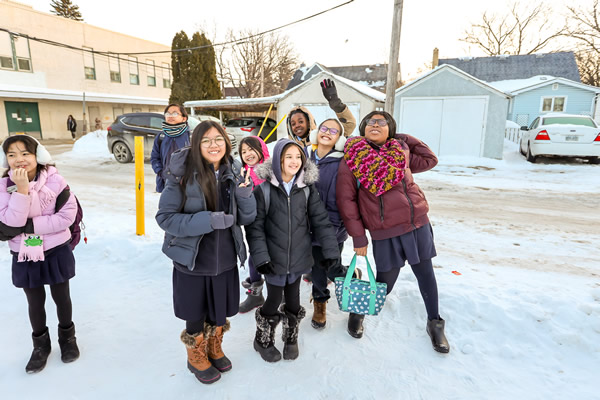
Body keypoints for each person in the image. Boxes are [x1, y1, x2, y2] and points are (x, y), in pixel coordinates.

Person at [336, 111, 450, 353]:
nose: (375, 125)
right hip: (384, 230)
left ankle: (435, 322)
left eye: (381, 122)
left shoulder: (401, 152)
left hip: (416, 223)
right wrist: (358, 236)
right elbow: (347, 201)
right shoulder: (352, 159)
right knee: (385, 281)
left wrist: (403, 138)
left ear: (391, 129)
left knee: (426, 274)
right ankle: (359, 312)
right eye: (370, 122)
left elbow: (430, 159)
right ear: (363, 128)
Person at [155, 121, 256, 385]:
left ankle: (214, 346)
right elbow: (165, 218)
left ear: (227, 143)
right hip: (192, 259)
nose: (214, 145)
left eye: (219, 139)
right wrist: (207, 220)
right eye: (206, 140)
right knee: (195, 312)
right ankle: (195, 355)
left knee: (219, 309)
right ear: (196, 144)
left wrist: (245, 197)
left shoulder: (233, 171)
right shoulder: (181, 174)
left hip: (224, 257)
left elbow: (245, 219)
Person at [245, 139, 339, 363]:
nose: (294, 161)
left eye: (298, 157)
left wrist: (331, 253)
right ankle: (263, 339)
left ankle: (291, 337)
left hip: (299, 256)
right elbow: (255, 228)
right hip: (273, 258)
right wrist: (261, 258)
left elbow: (321, 222)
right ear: (278, 160)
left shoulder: (306, 189)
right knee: (274, 297)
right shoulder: (264, 190)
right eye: (289, 157)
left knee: (294, 299)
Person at [0, 135, 80, 374]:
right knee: (34, 301)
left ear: (38, 156)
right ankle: (40, 346)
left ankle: (68, 339)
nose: (19, 160)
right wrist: (22, 191)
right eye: (12, 155)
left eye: (25, 153)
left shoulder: (56, 181)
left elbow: (67, 216)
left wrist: (31, 227)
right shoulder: (4, 186)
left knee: (61, 296)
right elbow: (9, 223)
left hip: (56, 249)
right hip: (24, 252)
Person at [287, 78, 356, 283]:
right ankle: (318, 279)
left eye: (301, 121)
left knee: (329, 263)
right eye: (293, 123)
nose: (297, 125)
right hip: (308, 220)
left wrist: (336, 104)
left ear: (310, 121)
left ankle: (335, 278)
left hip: (332, 220)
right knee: (316, 263)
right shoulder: (293, 147)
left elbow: (348, 125)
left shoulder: (326, 136)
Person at [305, 118, 362, 330]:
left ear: (339, 138)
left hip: (332, 227)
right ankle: (320, 304)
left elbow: (346, 196)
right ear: (316, 132)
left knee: (330, 268)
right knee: (316, 269)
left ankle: (350, 274)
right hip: (306, 227)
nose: (327, 132)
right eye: (324, 128)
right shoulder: (304, 156)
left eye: (333, 131)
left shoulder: (342, 162)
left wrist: (338, 225)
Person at [237, 136, 270, 313]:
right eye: (244, 151)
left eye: (251, 149)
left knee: (275, 258)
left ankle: (277, 295)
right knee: (255, 257)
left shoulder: (273, 170)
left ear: (261, 149)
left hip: (274, 222)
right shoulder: (242, 173)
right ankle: (255, 294)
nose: (248, 154)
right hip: (254, 223)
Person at [150, 103, 191, 193]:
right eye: (168, 114)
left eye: (175, 113)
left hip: (187, 183)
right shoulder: (161, 136)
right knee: (167, 206)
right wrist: (161, 172)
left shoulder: (190, 136)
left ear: (184, 118)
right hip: (166, 182)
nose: (170, 116)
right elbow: (154, 158)